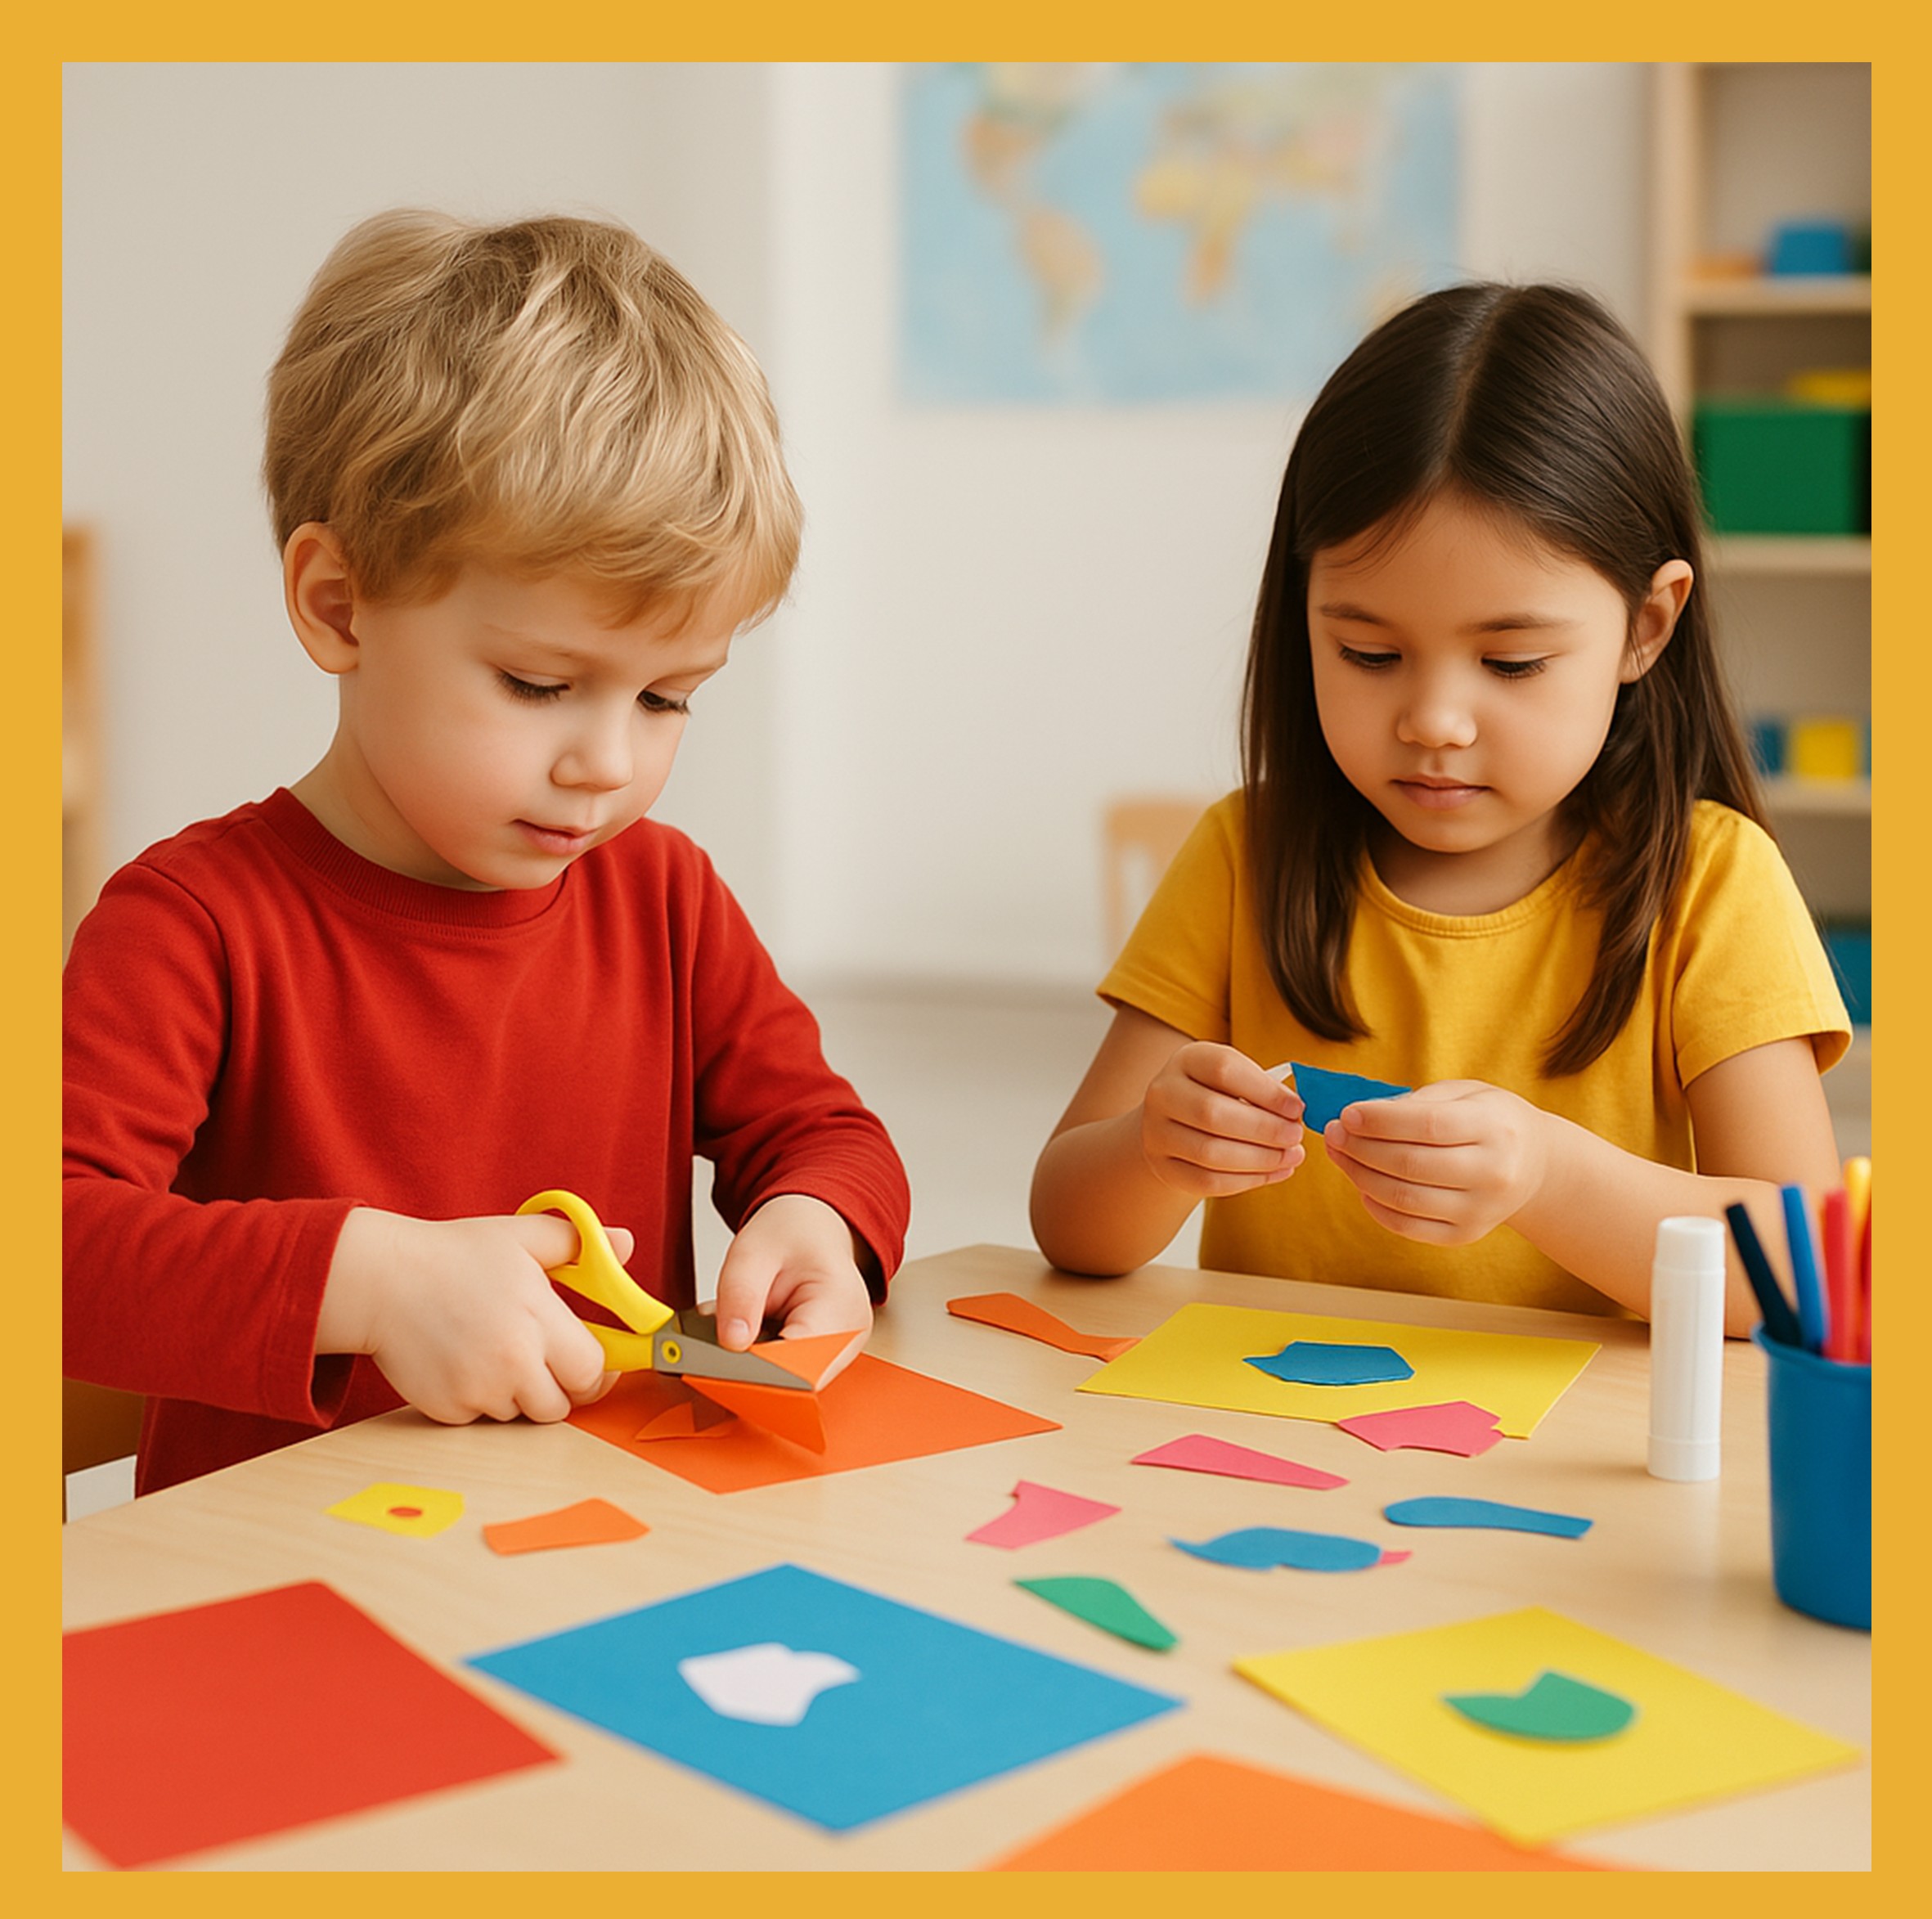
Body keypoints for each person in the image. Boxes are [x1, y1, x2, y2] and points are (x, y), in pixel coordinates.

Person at [64, 210, 910, 1493]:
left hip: (611, 1553)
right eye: (535, 683)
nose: (607, 763)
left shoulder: (663, 897)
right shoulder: (192, 922)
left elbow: (825, 1132)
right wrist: (370, 1281)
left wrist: (817, 1223)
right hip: (279, 1593)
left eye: (667, 697)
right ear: (337, 606)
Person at [1031, 281, 1847, 1334]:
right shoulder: (1247, 854)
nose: (1434, 721)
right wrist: (1155, 1146)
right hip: (1264, 1447)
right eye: (1367, 653)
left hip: (1574, 1476)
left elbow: (1799, 1271)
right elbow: (1069, 1226)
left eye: (1509, 662)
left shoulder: (1711, 883)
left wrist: (1550, 1176)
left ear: (1648, 626)